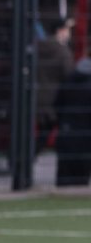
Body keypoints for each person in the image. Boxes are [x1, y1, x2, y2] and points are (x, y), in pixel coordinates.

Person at [36, 17, 74, 152]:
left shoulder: (38, 47)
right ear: (60, 31)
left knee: (42, 132)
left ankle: (24, 159)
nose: (69, 33)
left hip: (37, 95)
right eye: (68, 30)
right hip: (55, 99)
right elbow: (69, 76)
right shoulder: (63, 52)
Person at [55, 57, 91, 187]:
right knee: (81, 178)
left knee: (64, 176)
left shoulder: (69, 79)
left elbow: (57, 104)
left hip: (67, 131)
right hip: (86, 136)